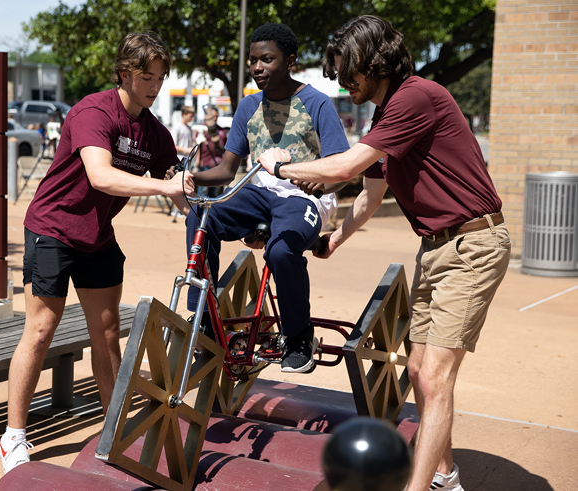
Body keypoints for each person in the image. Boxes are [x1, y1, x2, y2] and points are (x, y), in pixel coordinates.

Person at [258, 15, 511, 491]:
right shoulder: (386, 116)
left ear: (374, 60)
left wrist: (285, 167)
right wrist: (336, 239)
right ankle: (446, 476)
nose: (339, 80)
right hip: (436, 248)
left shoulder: (416, 96)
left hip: (473, 244)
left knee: (435, 377)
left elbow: (348, 165)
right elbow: (370, 195)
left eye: (347, 70)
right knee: (417, 369)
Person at [0, 31, 194, 475]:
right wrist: (163, 185)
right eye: (146, 76)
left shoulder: (153, 130)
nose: (154, 86)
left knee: (107, 335)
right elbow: (102, 176)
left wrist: (185, 193)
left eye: (160, 78)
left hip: (97, 236)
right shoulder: (93, 111)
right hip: (53, 228)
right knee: (42, 329)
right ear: (124, 73)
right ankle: (13, 436)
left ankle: (113, 430)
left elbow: (174, 174)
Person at [175, 23, 350, 374]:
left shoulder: (317, 104)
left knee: (281, 251)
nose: (257, 67)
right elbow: (226, 170)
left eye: (267, 59)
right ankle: (205, 317)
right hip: (257, 192)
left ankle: (298, 336)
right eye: (253, 60)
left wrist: (318, 183)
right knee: (201, 216)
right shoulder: (248, 106)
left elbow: (340, 169)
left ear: (291, 62)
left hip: (303, 198)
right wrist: (188, 177)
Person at [196, 105, 227, 197]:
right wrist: (198, 160)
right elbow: (197, 145)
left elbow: (225, 147)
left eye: (217, 116)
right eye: (213, 116)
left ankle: (212, 211)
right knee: (203, 191)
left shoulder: (221, 130)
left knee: (214, 192)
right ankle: (200, 211)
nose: (215, 118)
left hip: (218, 165)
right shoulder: (202, 129)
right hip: (205, 163)